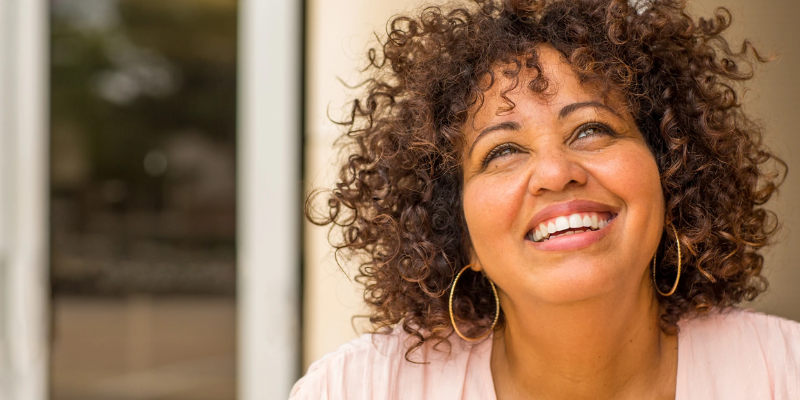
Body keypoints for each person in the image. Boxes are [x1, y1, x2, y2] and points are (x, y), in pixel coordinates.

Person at [292, 0, 799, 398]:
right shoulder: (358, 390)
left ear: (671, 173)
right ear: (457, 233)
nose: (556, 174)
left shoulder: (784, 373)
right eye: (503, 151)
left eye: (591, 130)